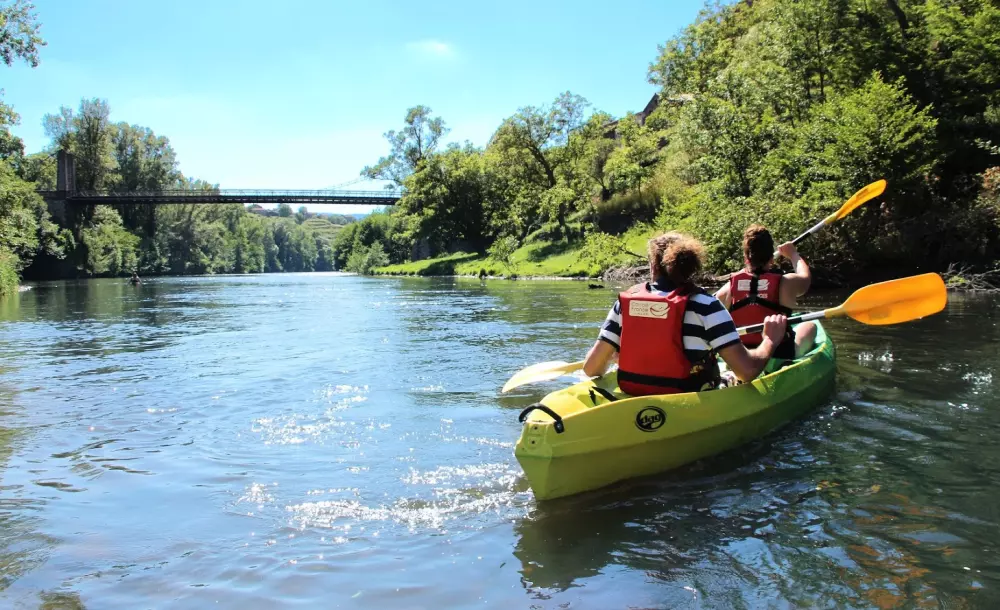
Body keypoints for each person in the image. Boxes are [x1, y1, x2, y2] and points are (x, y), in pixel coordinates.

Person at [583, 232, 788, 396]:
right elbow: (748, 371)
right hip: (688, 397)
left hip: (634, 395)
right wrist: (770, 340)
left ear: (653, 265)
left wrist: (617, 357)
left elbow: (591, 369)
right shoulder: (707, 306)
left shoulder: (625, 304)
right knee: (729, 373)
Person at [715, 224, 816, 360]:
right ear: (772, 259)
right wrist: (793, 254)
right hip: (778, 353)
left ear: (746, 258)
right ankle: (793, 359)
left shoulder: (727, 289)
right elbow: (806, 278)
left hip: (742, 356)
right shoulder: (786, 282)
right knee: (810, 326)